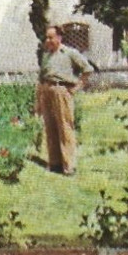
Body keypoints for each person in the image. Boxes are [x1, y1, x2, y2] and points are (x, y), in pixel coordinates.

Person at [34, 24, 93, 175]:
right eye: (46, 37)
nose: (48, 40)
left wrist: (76, 88)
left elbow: (87, 69)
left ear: (59, 37)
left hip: (62, 90)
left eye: (51, 37)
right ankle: (54, 163)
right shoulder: (46, 55)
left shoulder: (69, 53)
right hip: (47, 90)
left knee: (65, 127)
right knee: (50, 127)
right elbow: (41, 78)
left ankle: (68, 166)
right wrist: (38, 100)